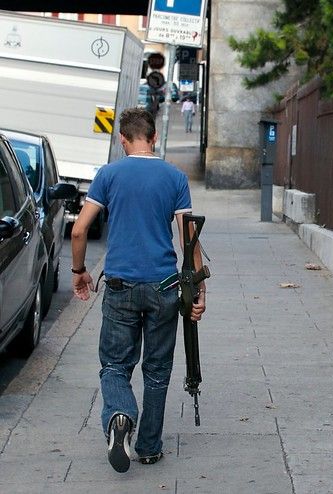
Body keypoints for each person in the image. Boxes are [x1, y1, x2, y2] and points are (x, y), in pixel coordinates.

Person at [71, 108, 206, 473]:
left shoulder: (109, 175)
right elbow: (188, 237)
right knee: (158, 369)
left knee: (115, 365)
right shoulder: (175, 177)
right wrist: (199, 289)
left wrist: (80, 271)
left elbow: (79, 231)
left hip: (119, 286)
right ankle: (148, 447)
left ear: (123, 140)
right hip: (163, 286)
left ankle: (119, 415)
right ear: (155, 137)